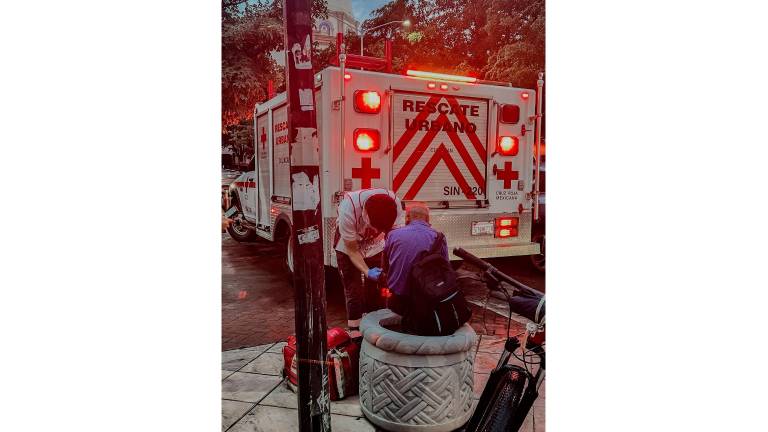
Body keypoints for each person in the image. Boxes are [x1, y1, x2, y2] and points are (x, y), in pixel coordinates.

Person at [383, 203, 471, 336]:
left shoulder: (393, 235)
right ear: (428, 220)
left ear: (407, 218)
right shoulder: (438, 237)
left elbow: (385, 266)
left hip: (398, 298)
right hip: (427, 297)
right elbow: (445, 267)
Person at [335, 188, 405, 337]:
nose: (374, 230)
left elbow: (395, 239)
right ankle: (356, 334)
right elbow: (352, 251)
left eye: (379, 229)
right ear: (365, 213)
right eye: (374, 226)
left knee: (377, 290)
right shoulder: (348, 208)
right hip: (349, 245)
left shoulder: (394, 204)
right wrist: (367, 271)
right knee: (354, 291)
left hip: (375, 245)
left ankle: (376, 328)